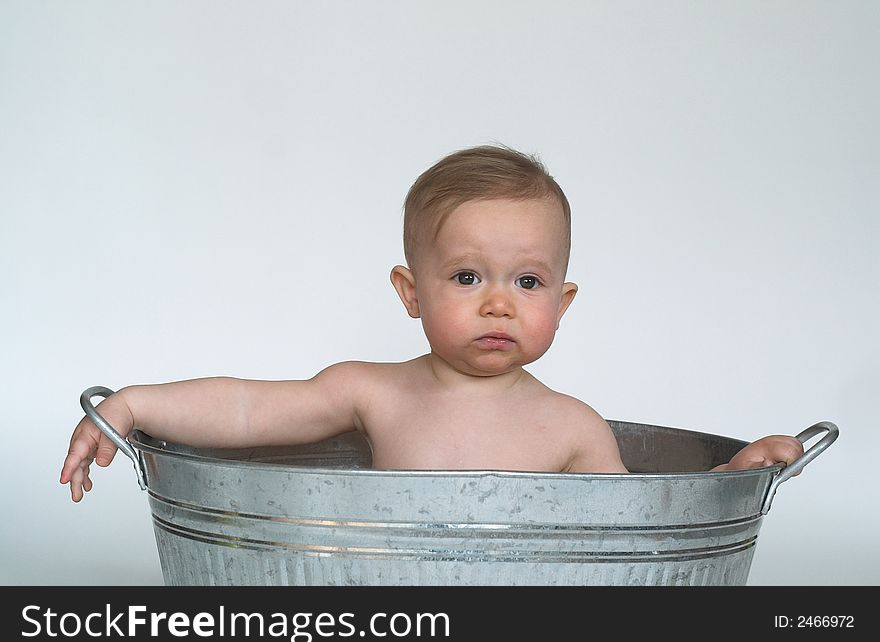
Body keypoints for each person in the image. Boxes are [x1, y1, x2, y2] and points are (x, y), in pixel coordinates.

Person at [61, 145, 804, 501]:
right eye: (467, 276)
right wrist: (130, 405)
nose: (498, 302)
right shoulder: (372, 393)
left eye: (528, 281)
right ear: (410, 292)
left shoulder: (574, 429)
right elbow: (249, 406)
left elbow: (641, 527)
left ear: (563, 304)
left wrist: (731, 481)